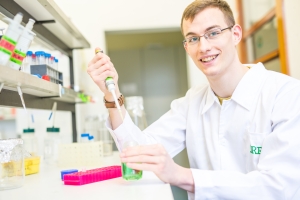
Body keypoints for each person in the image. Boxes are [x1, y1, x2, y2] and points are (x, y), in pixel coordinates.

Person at [87, 0, 300, 199]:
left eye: (213, 33)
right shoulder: (193, 102)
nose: (204, 47)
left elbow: (279, 186)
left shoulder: (286, 94)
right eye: (193, 38)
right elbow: (140, 152)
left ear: (235, 34)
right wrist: (110, 94)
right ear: (186, 47)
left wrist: (181, 175)